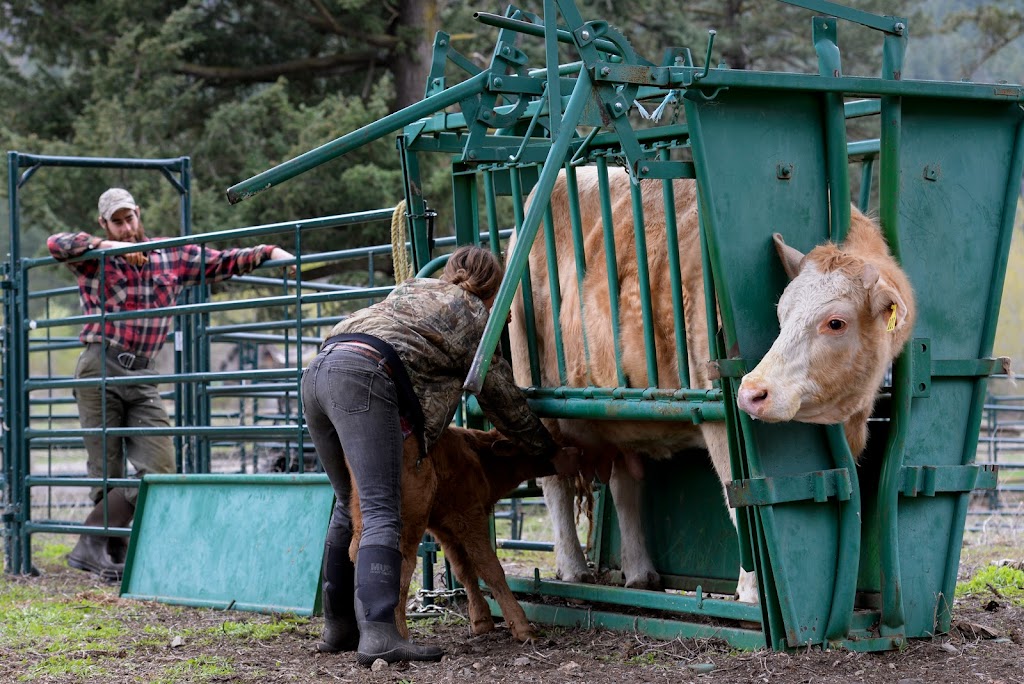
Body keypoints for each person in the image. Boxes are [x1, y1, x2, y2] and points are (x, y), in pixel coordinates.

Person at [301, 245, 578, 666]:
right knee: (380, 511)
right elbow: (502, 399)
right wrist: (547, 452)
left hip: (319, 373)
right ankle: (379, 634)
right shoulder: (474, 316)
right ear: (495, 291)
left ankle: (339, 627)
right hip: (365, 379)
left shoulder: (415, 288)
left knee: (348, 505)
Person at [47, 187, 295, 582]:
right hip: (100, 364)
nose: (127, 227)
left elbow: (222, 262)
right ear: (104, 224)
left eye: (130, 218)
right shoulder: (95, 256)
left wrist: (267, 252)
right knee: (104, 471)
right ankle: (109, 553)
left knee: (158, 469)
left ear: (139, 215)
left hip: (143, 371)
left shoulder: (172, 252)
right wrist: (107, 246)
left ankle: (89, 544)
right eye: (117, 221)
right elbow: (56, 244)